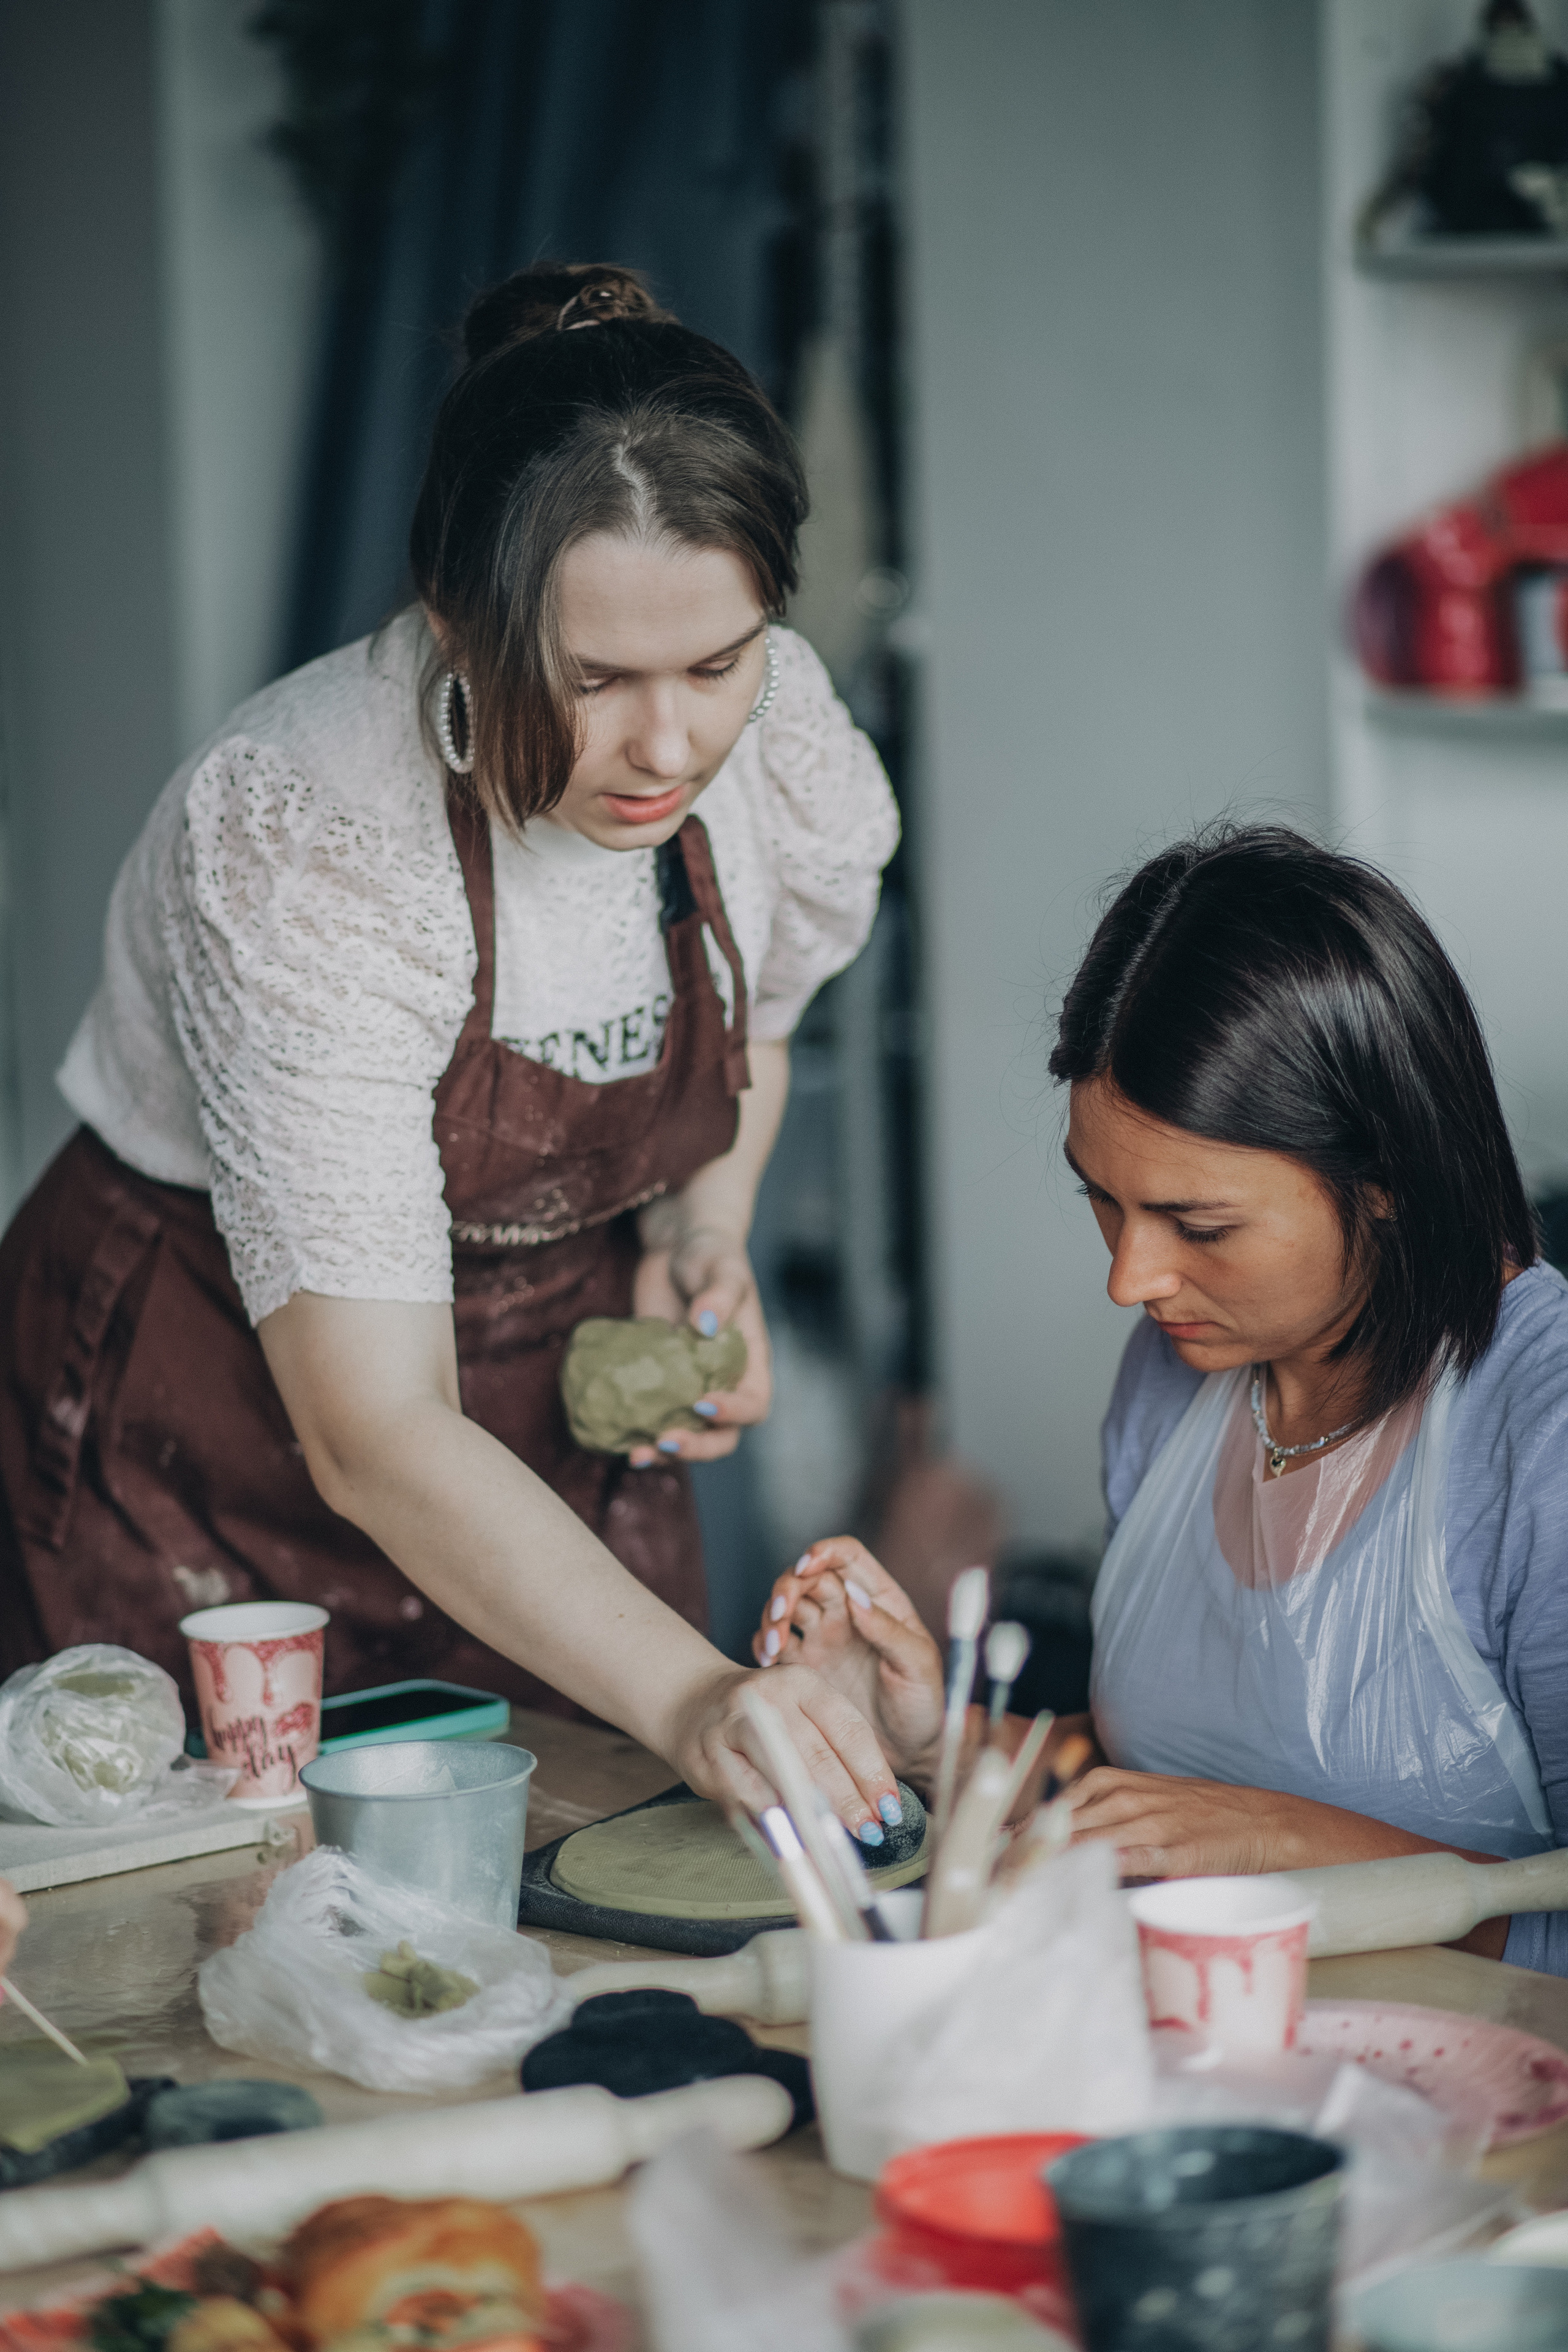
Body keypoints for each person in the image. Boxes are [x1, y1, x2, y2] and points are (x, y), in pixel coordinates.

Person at [0, 263, 905, 1841]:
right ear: (453, 620)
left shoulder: (770, 744)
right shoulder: (312, 843)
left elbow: (762, 996)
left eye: (716, 664)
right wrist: (692, 1692)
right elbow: (374, 1427)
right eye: (593, 681)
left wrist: (703, 1232)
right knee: (219, 1912)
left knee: (590, 1872)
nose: (671, 746)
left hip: (547, 1398)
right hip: (214, 1417)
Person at [756, 826, 1568, 1970]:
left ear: (1385, 1179)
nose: (1130, 1281)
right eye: (1105, 1203)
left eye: (1199, 1226)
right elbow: (1145, 1792)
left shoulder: (1542, 1430)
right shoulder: (1177, 1374)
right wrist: (929, 1738)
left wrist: (1285, 1843)